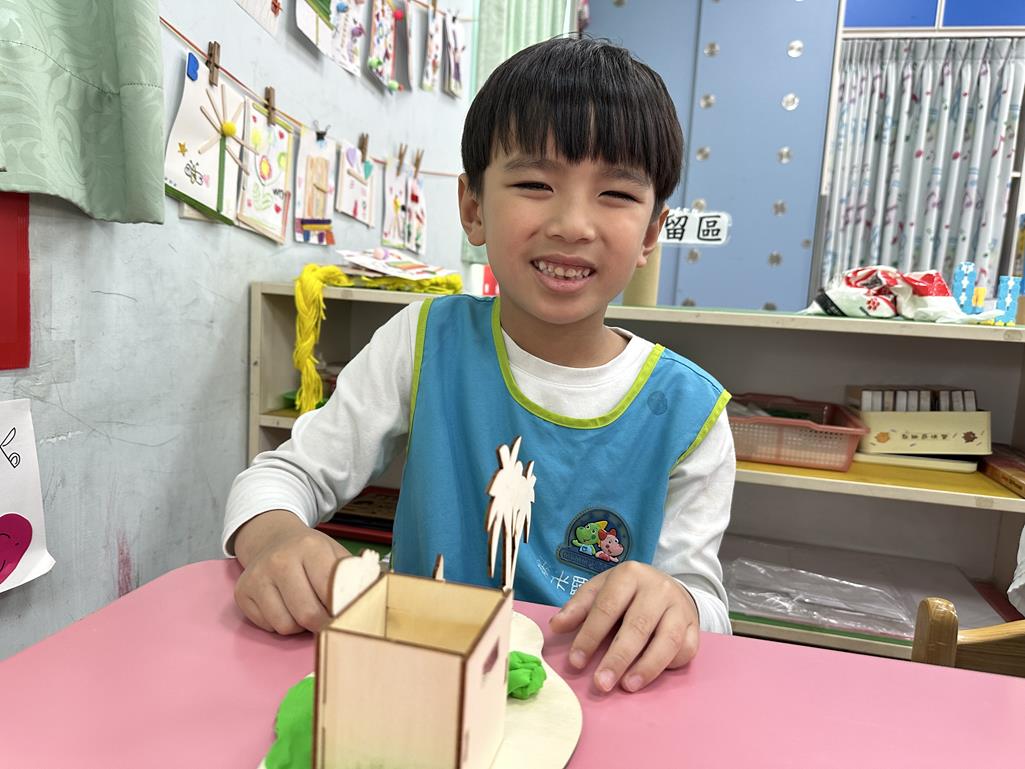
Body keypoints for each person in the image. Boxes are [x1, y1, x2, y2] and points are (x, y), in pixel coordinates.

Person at [224, 36, 735, 694]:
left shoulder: (691, 415)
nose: (572, 223)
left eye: (614, 193)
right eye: (534, 184)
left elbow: (707, 608)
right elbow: (282, 475)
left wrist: (678, 602)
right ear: (472, 208)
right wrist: (273, 538)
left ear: (651, 232)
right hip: (422, 691)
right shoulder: (424, 340)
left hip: (595, 695)